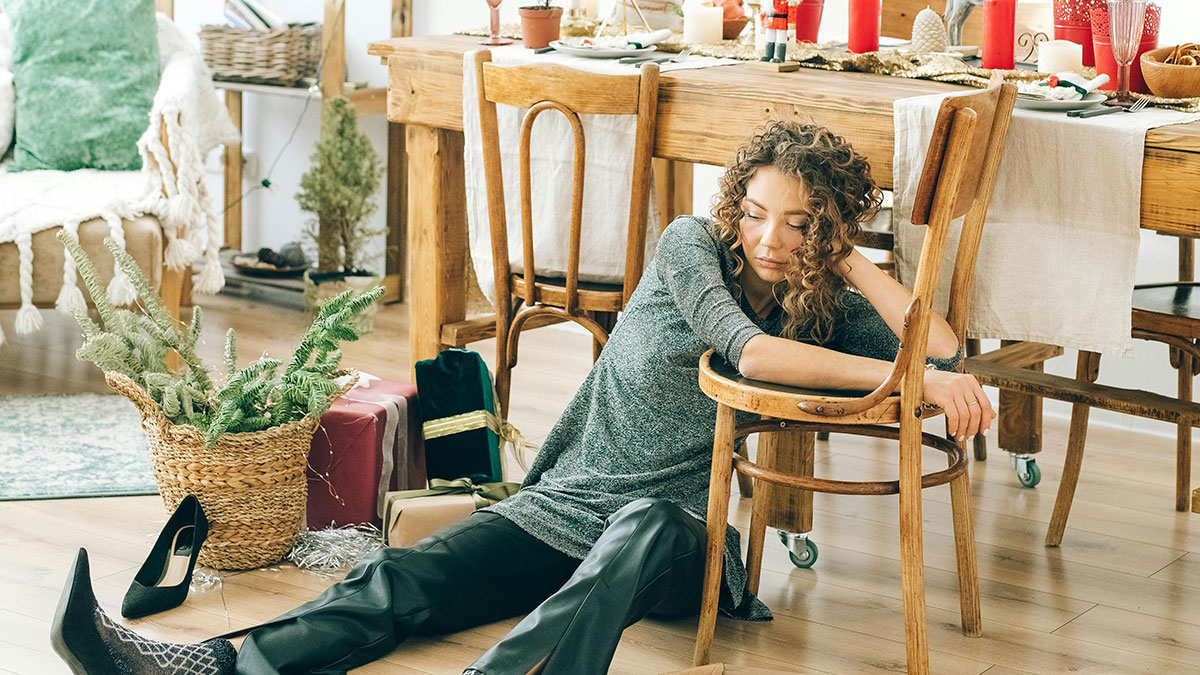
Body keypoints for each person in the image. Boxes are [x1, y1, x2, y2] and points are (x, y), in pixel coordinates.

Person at [51, 120, 994, 675]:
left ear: (824, 230)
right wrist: (907, 379)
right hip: (558, 511)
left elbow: (941, 343)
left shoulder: (822, 306)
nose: (766, 239)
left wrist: (856, 266)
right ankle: (202, 661)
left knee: (648, 525)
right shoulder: (688, 250)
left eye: (796, 224)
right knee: (399, 583)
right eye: (752, 211)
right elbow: (749, 349)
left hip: (673, 543)